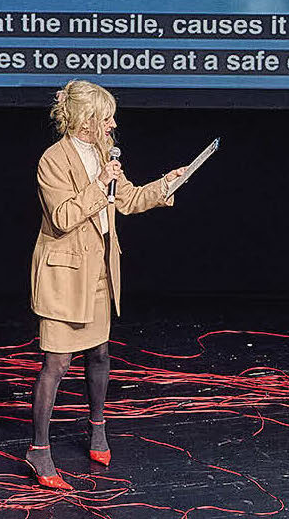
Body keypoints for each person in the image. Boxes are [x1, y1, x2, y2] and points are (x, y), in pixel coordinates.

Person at [26, 80, 185, 489]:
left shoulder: (102, 153)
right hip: (64, 274)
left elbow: (127, 200)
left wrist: (166, 185)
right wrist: (99, 186)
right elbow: (62, 217)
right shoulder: (53, 160)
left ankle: (97, 428)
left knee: (99, 352)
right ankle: (39, 449)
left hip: (98, 270)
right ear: (86, 120)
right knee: (57, 364)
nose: (114, 123)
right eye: (106, 117)